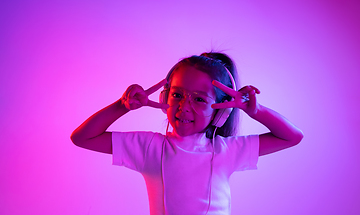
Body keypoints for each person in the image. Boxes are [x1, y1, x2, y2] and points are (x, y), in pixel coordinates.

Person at [71, 52, 303, 215]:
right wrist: (122, 106)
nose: (185, 107)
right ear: (164, 98)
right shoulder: (149, 148)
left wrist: (256, 110)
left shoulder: (226, 151)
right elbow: (82, 137)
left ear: (220, 112)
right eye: (178, 95)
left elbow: (292, 136)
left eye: (200, 99)